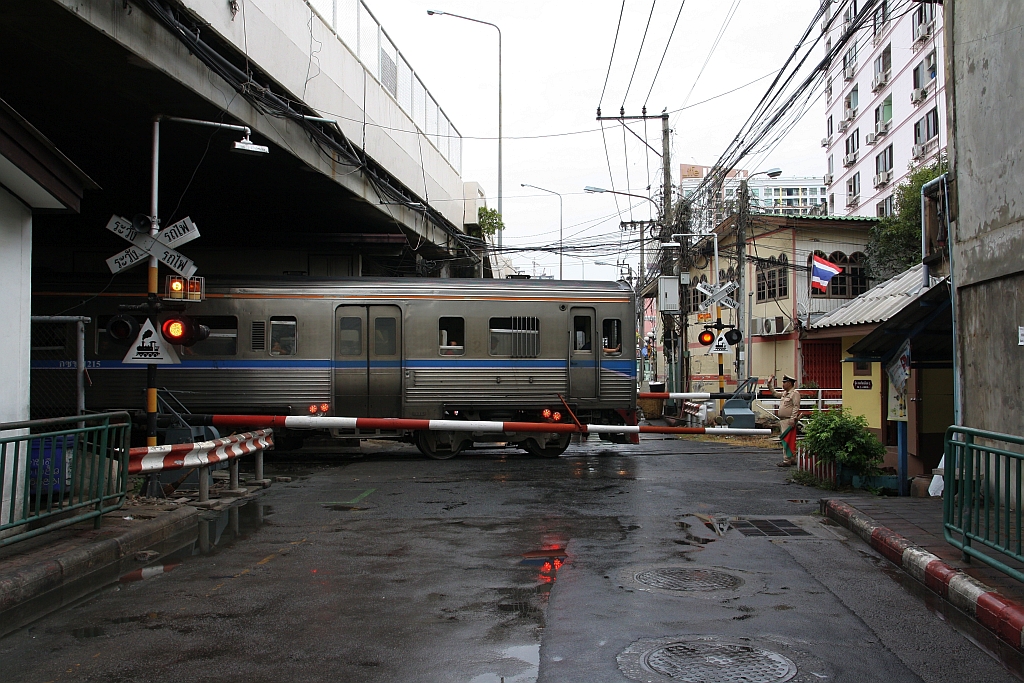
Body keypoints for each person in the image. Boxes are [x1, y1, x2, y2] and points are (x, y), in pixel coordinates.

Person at [769, 374, 803, 467]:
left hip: (788, 420)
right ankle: (792, 458)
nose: (783, 384)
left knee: (787, 440)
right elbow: (775, 394)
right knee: (789, 439)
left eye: (785, 382)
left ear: (790, 383)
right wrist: (769, 384)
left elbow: (796, 407)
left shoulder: (794, 394)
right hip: (783, 420)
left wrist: (792, 419)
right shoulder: (785, 393)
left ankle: (787, 460)